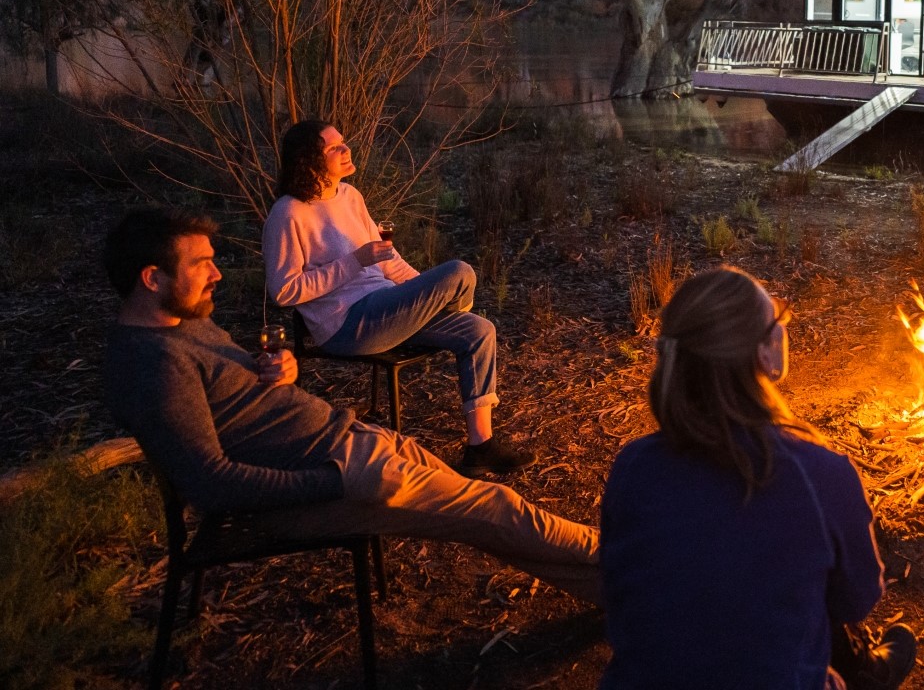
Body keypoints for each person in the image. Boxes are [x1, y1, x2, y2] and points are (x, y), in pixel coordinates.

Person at [102, 208, 600, 601]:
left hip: (347, 442)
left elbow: (234, 397)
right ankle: (635, 558)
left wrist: (282, 372)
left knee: (489, 514)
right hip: (330, 477)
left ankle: (624, 593)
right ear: (152, 278)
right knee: (497, 506)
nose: (217, 275)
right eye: (200, 264)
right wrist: (334, 480)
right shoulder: (154, 365)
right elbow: (212, 485)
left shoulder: (182, 322)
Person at [598, 267, 916, 690]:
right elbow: (857, 599)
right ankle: (867, 675)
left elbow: (621, 593)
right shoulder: (820, 473)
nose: (784, 328)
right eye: (776, 321)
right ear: (763, 353)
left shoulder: (633, 466)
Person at [263, 119, 530, 475]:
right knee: (459, 271)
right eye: (334, 148)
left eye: (344, 143)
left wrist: (425, 296)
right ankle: (446, 308)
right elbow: (284, 290)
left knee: (478, 330)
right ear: (309, 162)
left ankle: (480, 447)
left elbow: (388, 260)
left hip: (388, 307)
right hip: (348, 324)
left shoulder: (351, 197)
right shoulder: (288, 213)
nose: (347, 151)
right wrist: (354, 262)